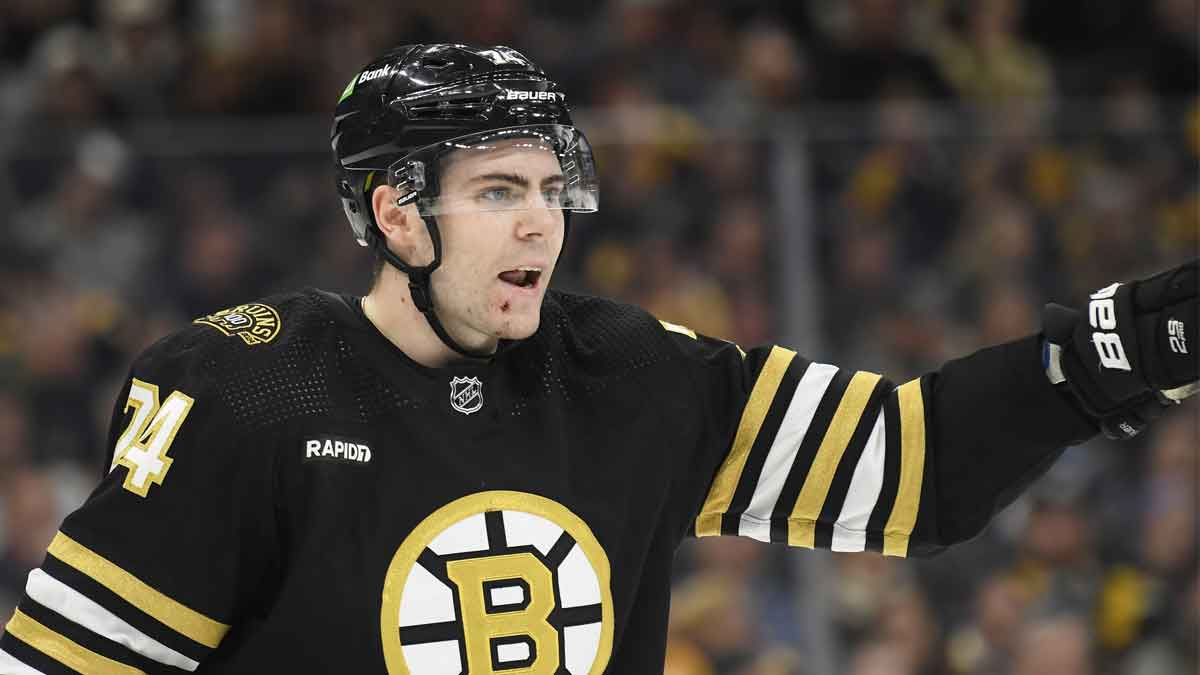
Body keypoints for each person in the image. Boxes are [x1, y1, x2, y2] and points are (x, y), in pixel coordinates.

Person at [0, 44, 1195, 674]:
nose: (541, 222)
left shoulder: (627, 371)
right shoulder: (248, 386)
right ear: (397, 215)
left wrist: (1131, 341)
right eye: (496, 191)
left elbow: (909, 466)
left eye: (548, 188)